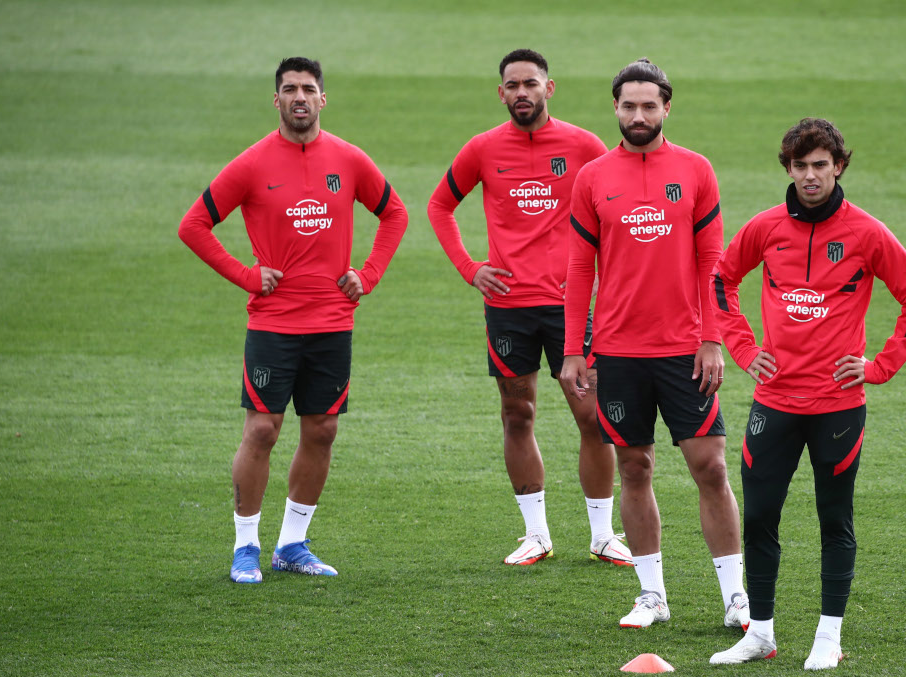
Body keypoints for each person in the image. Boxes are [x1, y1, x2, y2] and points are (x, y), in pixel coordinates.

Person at [708, 118, 906, 668]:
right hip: (774, 403)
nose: (810, 176)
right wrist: (742, 349)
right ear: (788, 168)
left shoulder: (868, 233)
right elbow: (720, 280)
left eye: (820, 166)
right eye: (800, 166)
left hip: (838, 408)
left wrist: (878, 367)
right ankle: (759, 633)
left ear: (838, 167)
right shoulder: (765, 228)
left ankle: (828, 639)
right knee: (760, 517)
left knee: (835, 521)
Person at [177, 57, 408, 584]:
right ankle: (245, 547)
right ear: (276, 100)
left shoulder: (348, 159)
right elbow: (194, 225)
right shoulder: (253, 163)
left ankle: (292, 544)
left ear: (322, 99)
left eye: (308, 89)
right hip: (273, 324)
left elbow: (395, 212)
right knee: (262, 430)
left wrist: (367, 275)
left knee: (321, 430)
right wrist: (245, 274)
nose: (299, 97)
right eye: (289, 90)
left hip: (332, 323)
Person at [561, 58, 749, 629]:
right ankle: (651, 596)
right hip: (618, 351)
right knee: (634, 466)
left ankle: (735, 597)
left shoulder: (695, 170)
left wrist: (711, 338)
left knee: (710, 468)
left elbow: (710, 263)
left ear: (667, 107)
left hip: (684, 349)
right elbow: (577, 268)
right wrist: (574, 350)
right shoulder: (592, 177)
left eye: (648, 105)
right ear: (615, 109)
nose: (637, 115)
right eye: (627, 105)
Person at [427, 49, 631, 567]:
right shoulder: (483, 149)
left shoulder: (584, 144)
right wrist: (470, 268)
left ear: (549, 88)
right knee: (518, 413)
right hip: (509, 308)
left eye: (531, 84)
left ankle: (602, 535)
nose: (522, 93)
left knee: (592, 417)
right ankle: (536, 534)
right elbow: (440, 205)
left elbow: (621, 200)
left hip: (573, 306)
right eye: (512, 85)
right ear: (501, 93)